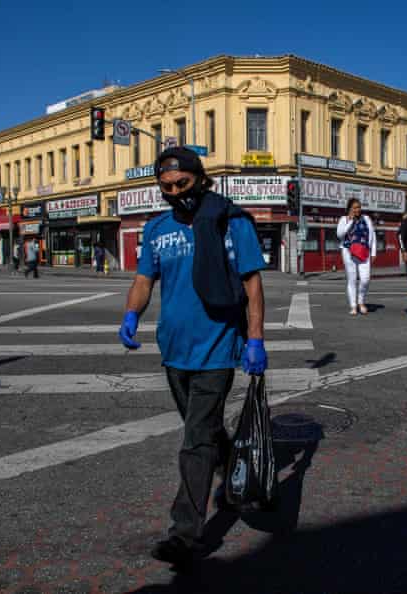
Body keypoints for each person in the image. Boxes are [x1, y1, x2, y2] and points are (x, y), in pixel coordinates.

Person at [118, 147, 267, 566]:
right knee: (205, 429)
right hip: (174, 349)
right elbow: (144, 279)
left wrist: (255, 339)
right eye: (165, 187)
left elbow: (252, 283)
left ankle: (185, 534)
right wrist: (131, 313)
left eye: (181, 184)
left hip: (217, 347)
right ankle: (239, 475)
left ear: (200, 179)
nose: (174, 193)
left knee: (195, 440)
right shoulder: (156, 228)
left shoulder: (231, 222)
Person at [336, 198, 376, 315]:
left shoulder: (366, 219)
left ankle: (361, 301)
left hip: (364, 251)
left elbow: (372, 235)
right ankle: (354, 306)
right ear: (349, 209)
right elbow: (340, 235)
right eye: (354, 208)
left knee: (365, 279)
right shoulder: (344, 219)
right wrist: (350, 221)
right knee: (352, 279)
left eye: (359, 207)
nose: (357, 209)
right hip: (348, 251)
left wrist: (373, 252)